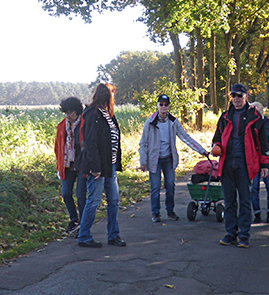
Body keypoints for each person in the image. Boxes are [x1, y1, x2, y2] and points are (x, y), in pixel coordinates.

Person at [211, 83, 269, 248]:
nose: (236, 98)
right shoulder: (224, 116)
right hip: (227, 163)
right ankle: (231, 234)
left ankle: (244, 236)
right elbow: (217, 137)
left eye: (239, 95)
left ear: (246, 97)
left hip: (245, 163)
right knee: (229, 201)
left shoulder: (255, 117)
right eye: (233, 95)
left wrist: (264, 164)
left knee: (244, 201)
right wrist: (216, 146)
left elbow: (263, 143)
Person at [138, 94, 208, 222]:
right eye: (161, 104)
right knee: (155, 187)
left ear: (169, 106)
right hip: (155, 160)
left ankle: (170, 211)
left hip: (168, 158)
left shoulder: (173, 122)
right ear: (157, 106)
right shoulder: (150, 122)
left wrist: (201, 151)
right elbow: (143, 143)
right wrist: (143, 161)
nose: (163, 107)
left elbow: (185, 137)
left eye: (166, 105)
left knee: (170, 185)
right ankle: (156, 213)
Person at [76, 83, 126, 248]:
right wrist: (95, 167)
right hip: (98, 167)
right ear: (108, 96)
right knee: (94, 200)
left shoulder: (108, 114)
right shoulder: (93, 114)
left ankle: (113, 235)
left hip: (109, 165)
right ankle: (83, 236)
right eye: (113, 94)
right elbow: (90, 142)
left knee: (114, 200)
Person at [55, 96, 86, 234]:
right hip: (67, 165)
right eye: (66, 113)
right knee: (66, 193)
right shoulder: (62, 126)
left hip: (82, 164)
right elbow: (57, 147)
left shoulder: (85, 124)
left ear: (77, 111)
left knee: (81, 196)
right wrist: (59, 165)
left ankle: (84, 224)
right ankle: (74, 220)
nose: (68, 116)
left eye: (71, 113)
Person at [249, 101, 269, 224]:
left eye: (257, 110)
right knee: (253, 188)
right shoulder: (248, 124)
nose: (255, 112)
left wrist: (261, 134)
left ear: (261, 111)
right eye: (253, 110)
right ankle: (256, 213)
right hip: (253, 161)